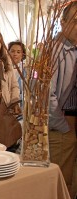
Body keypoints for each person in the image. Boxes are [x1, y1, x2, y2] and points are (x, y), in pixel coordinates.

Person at [49, 2, 77, 198]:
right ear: (63, 21)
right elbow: (45, 97)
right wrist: (63, 127)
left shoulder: (73, 49)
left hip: (71, 126)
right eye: (75, 21)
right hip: (61, 128)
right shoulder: (53, 51)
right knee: (61, 185)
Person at [8, 40, 26, 106]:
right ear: (8, 52)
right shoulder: (3, 68)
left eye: (18, 52)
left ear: (22, 55)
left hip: (20, 106)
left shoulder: (26, 70)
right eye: (12, 51)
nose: (15, 54)